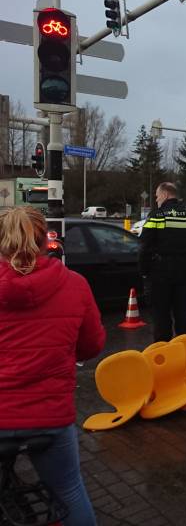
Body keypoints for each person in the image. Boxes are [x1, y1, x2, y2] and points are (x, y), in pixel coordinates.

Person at [0, 206, 105, 526]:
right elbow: (92, 344)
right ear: (46, 240)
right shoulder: (74, 284)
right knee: (69, 491)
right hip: (50, 415)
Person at [139, 182, 186, 342]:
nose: (156, 200)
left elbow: (144, 247)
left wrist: (144, 272)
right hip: (185, 273)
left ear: (166, 195)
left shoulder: (157, 216)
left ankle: (164, 355)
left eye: (157, 196)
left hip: (160, 274)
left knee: (162, 317)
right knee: (183, 315)